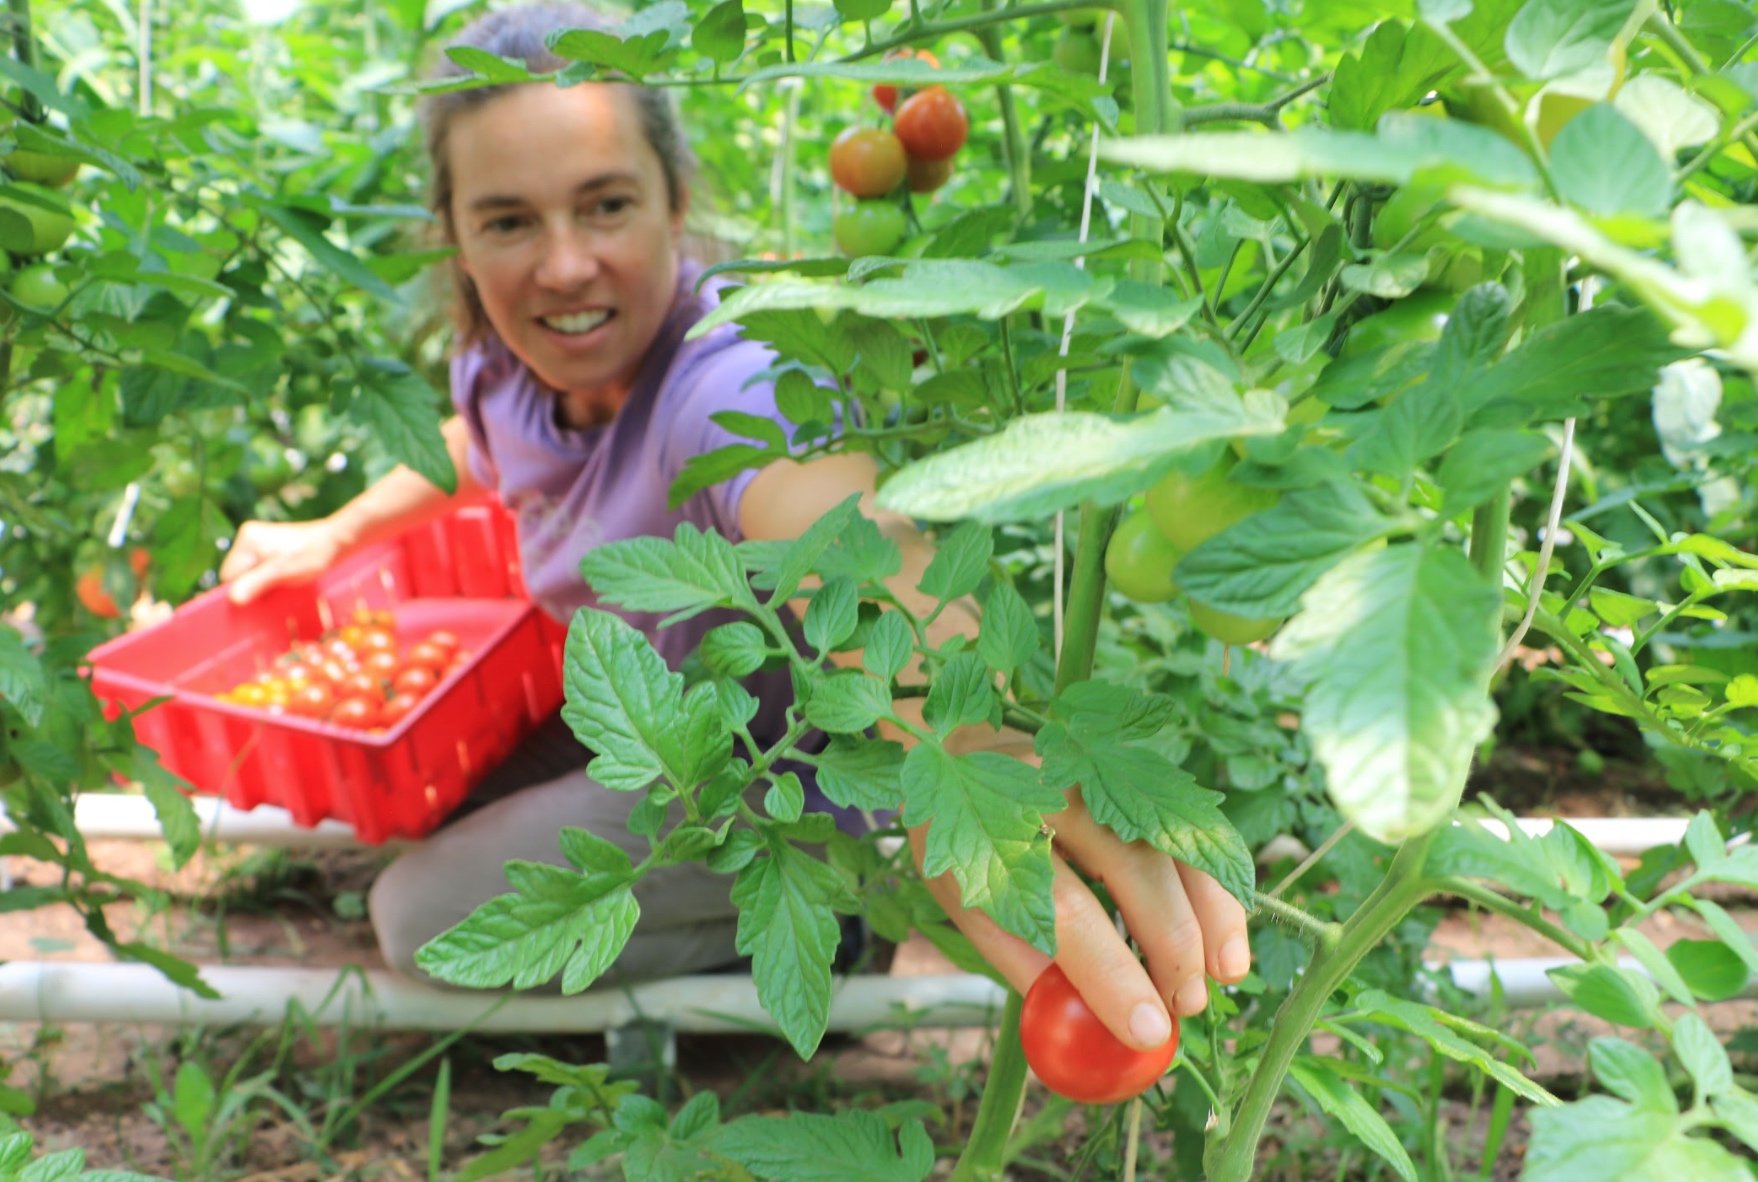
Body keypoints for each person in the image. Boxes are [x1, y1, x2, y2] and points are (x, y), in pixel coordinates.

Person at [219, 1, 1248, 1058]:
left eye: (605, 204)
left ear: (676, 203)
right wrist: (330, 531)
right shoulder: (506, 367)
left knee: (422, 915)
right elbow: (474, 439)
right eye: (510, 221)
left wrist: (966, 740)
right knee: (431, 810)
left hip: (766, 769)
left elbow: (846, 547)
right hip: (665, 720)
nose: (564, 266)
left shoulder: (727, 384)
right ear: (460, 239)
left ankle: (817, 918)